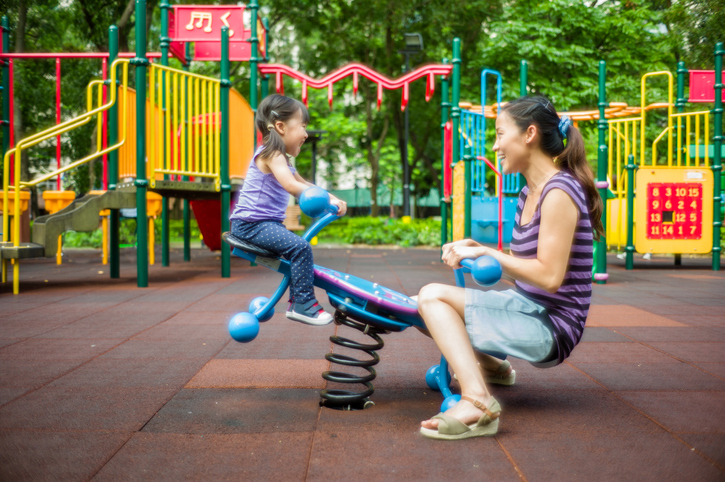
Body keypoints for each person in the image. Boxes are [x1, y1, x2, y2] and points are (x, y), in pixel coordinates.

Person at [417, 95, 603, 440]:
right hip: (528, 308)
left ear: (529, 134)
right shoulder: (528, 192)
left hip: (552, 326)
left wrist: (488, 253)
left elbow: (549, 276)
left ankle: (478, 402)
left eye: (501, 134)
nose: (495, 145)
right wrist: (479, 249)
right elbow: (524, 261)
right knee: (420, 307)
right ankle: (495, 368)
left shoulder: (559, 191)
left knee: (432, 298)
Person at [230, 94, 347, 326]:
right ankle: (302, 304)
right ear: (281, 127)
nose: (306, 133)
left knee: (298, 250)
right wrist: (325, 202)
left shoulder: (283, 159)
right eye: (303, 126)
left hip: (265, 225)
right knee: (300, 248)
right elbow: (292, 186)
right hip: (251, 225)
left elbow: (306, 184)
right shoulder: (271, 153)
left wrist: (332, 198)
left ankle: (300, 301)